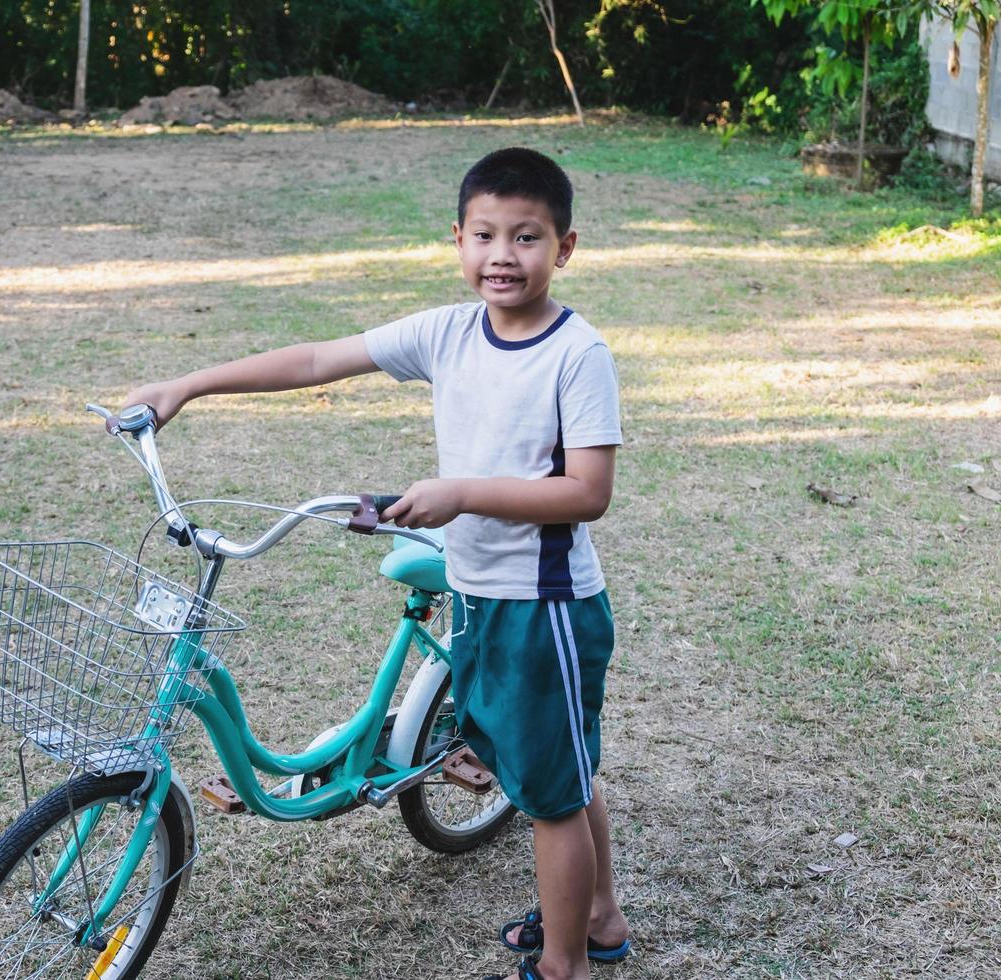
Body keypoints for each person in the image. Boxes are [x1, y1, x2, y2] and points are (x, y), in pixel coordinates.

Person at [123, 146, 630, 980]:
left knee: (553, 792)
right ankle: (600, 914)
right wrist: (187, 385)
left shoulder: (578, 355)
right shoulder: (448, 331)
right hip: (476, 592)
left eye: (528, 238)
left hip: (542, 610)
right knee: (554, 772)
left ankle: (568, 965)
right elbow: (319, 360)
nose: (503, 256)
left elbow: (587, 493)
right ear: (458, 239)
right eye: (485, 235)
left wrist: (461, 492)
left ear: (564, 248)